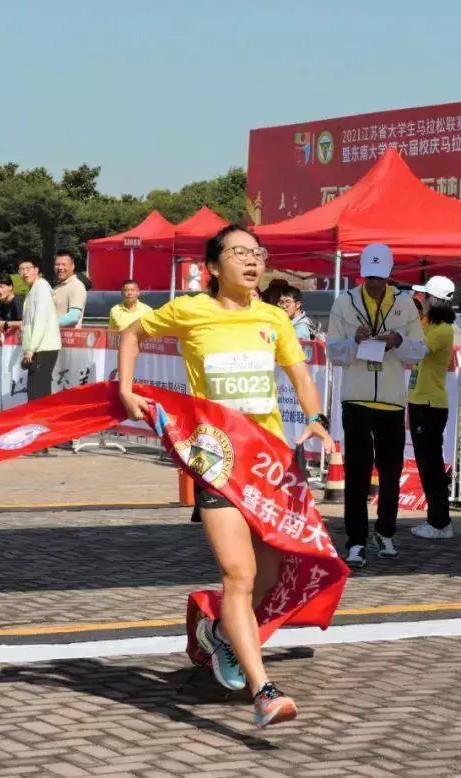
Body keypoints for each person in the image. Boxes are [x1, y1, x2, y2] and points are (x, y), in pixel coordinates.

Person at [117, 225, 333, 728]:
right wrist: (126, 389)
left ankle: (220, 634)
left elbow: (300, 374)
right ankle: (264, 691)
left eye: (257, 253)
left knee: (272, 573)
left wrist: (316, 417)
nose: (252, 262)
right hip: (218, 460)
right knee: (239, 575)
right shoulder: (191, 310)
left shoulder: (274, 316)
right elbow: (132, 333)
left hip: (271, 460)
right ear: (213, 268)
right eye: (239, 253)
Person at [326, 243, 426, 569]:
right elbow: (333, 351)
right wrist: (354, 341)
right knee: (356, 474)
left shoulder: (405, 305)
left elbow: (418, 352)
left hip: (392, 402)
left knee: (390, 471)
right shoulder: (345, 302)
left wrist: (400, 342)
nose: (374, 284)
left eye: (380, 279)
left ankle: (385, 532)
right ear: (362, 274)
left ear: (389, 276)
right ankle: (355, 541)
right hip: (355, 399)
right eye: (369, 278)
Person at [407, 276, 457, 540]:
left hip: (430, 404)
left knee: (431, 465)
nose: (420, 301)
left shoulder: (442, 330)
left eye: (424, 297)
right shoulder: (430, 325)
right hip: (421, 402)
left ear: (433, 300)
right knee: (427, 464)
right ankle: (437, 519)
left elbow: (414, 352)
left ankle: (440, 522)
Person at [18, 258, 61, 408]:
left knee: (37, 395)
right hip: (38, 348)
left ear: (36, 269)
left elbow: (40, 320)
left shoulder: (41, 288)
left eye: (27, 268)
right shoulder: (34, 289)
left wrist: (31, 349)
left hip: (42, 348)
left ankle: (38, 427)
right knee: (39, 392)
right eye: (21, 269)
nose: (24, 272)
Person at [53, 250, 87, 328]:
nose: (60, 268)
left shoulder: (76, 285)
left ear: (72, 266)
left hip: (68, 338)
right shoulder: (57, 287)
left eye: (64, 264)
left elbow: (73, 317)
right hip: (54, 337)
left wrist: (47, 325)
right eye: (57, 264)